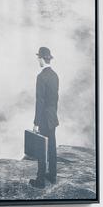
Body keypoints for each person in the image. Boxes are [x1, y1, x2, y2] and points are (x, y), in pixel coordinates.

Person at [33, 45, 59, 186]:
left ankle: (40, 180)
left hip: (43, 118)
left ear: (42, 59)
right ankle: (52, 176)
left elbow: (40, 101)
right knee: (52, 147)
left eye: (38, 58)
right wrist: (53, 115)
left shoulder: (41, 77)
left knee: (41, 148)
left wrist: (36, 122)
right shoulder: (55, 76)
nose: (38, 61)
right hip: (52, 117)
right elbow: (55, 99)